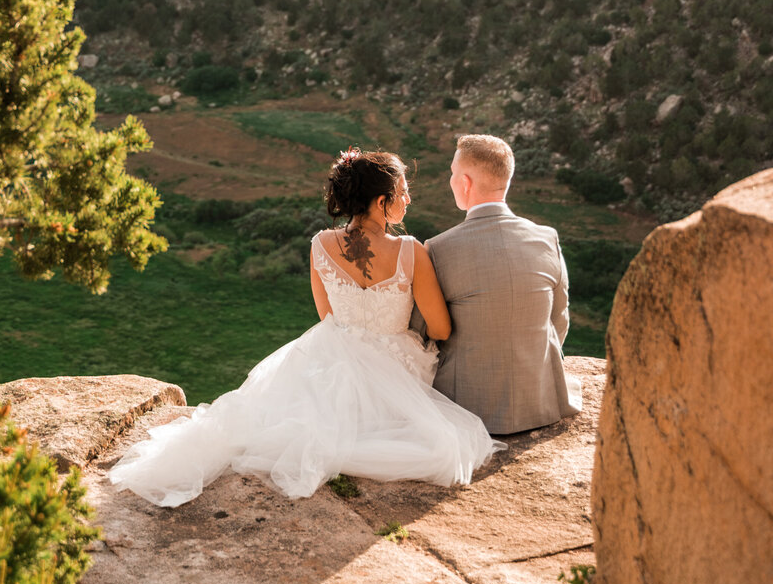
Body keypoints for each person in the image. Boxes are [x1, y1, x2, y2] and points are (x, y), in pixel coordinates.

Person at [109, 149, 502, 507]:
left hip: (332, 356)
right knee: (437, 441)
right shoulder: (410, 251)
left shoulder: (319, 244)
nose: (408, 200)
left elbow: (326, 315)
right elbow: (442, 329)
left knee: (273, 424)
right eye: (402, 192)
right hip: (396, 368)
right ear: (382, 202)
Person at [425, 134, 581, 434]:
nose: (451, 181)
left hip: (467, 408)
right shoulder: (547, 238)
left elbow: (426, 333)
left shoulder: (438, 248)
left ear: (466, 183)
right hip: (539, 402)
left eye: (452, 173)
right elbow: (559, 319)